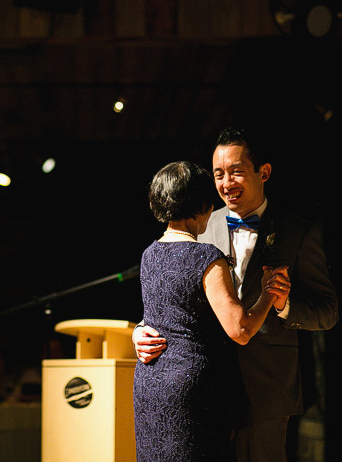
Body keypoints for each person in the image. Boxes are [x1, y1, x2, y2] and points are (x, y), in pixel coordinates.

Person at [133, 128, 338, 462]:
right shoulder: (199, 223)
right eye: (218, 174)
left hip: (266, 391)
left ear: (264, 172)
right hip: (202, 389)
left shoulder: (298, 232)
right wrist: (140, 330)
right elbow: (173, 289)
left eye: (237, 171)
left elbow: (327, 312)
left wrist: (285, 305)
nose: (226, 182)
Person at [133, 161, 284, 461]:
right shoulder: (205, 257)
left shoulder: (149, 254)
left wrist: (138, 331)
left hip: (149, 385)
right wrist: (268, 294)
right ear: (202, 203)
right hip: (191, 391)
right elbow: (239, 329)